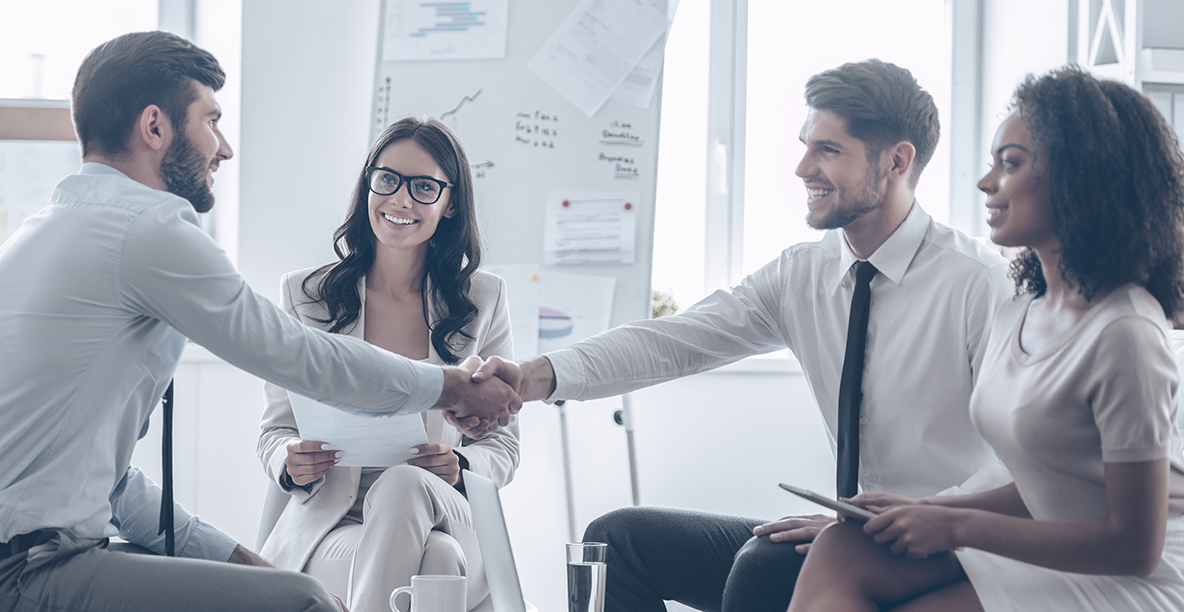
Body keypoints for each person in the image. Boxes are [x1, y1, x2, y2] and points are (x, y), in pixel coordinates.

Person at [0, 32, 518, 612]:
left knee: (321, 584)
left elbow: (113, 484)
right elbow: (293, 353)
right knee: (303, 604)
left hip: (40, 550)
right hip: (32, 567)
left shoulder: (44, 230)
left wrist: (247, 563)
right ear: (155, 126)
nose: (222, 148)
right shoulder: (147, 229)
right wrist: (446, 384)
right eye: (211, 121)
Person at [474, 59, 1013, 612]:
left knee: (767, 565)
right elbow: (675, 340)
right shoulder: (801, 274)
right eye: (805, 145)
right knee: (617, 542)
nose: (803, 167)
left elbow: (1026, 461)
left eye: (828, 150)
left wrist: (894, 521)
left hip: (953, 541)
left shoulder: (978, 283)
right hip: (846, 534)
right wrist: (531, 377)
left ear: (897, 160)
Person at [788, 65, 1184, 612]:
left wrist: (957, 525)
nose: (985, 181)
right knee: (841, 546)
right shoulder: (1021, 309)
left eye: (1011, 163)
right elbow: (1053, 484)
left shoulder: (1125, 333)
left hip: (1133, 575)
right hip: (1050, 540)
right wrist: (927, 511)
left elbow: (1134, 547)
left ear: (1081, 178)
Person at [256, 117, 518, 612]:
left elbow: (503, 444)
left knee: (407, 486)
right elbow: (275, 430)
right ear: (368, 184)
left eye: (424, 187)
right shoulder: (306, 296)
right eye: (388, 179)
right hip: (337, 520)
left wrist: (462, 464)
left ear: (450, 203)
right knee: (437, 561)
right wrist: (288, 461)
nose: (400, 200)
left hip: (448, 508)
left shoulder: (483, 299)